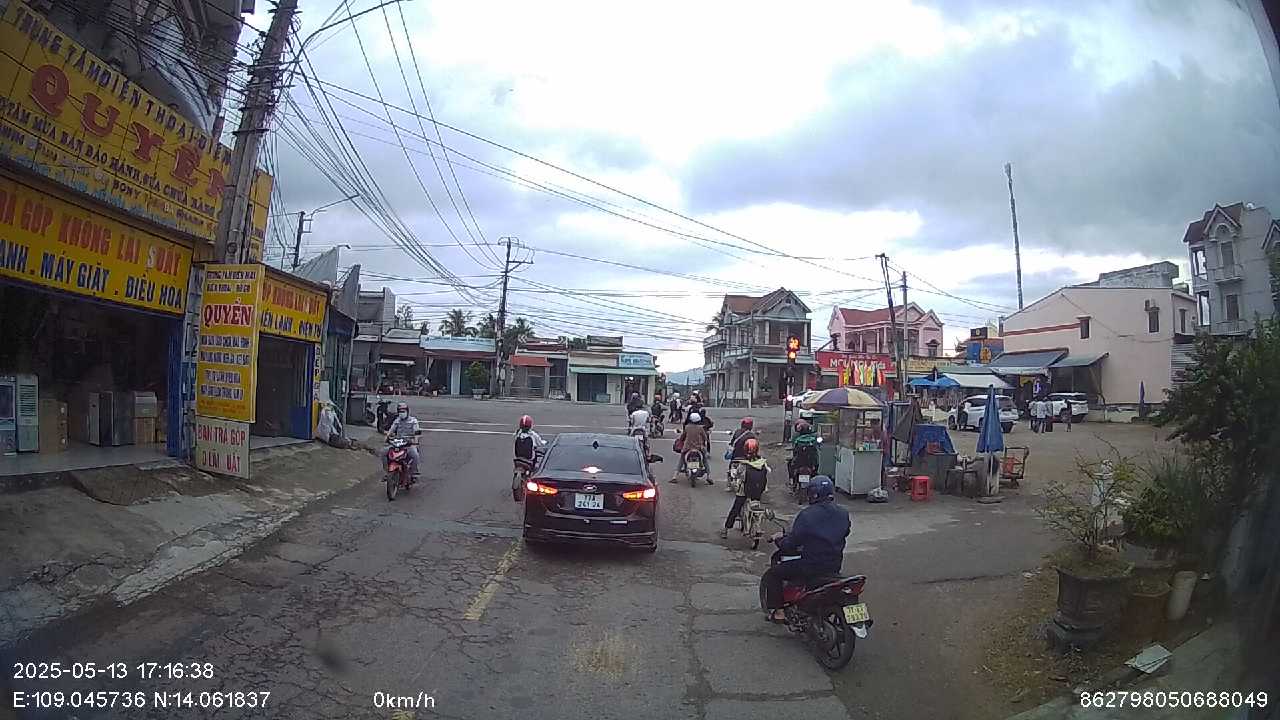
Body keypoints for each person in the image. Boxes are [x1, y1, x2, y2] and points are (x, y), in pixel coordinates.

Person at [761, 476, 851, 622]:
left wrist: (779, 540)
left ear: (813, 494)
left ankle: (779, 613)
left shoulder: (806, 515)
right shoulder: (843, 513)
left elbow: (791, 544)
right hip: (834, 566)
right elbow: (845, 532)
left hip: (810, 567)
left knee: (773, 574)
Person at [722, 437, 769, 538]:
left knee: (735, 509)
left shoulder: (743, 464)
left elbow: (737, 474)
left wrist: (734, 477)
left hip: (744, 491)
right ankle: (757, 526)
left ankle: (726, 529)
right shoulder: (762, 462)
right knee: (757, 508)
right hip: (757, 491)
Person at [671, 411, 711, 483]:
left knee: (682, 460)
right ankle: (708, 477)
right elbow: (705, 438)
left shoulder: (687, 427)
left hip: (687, 448)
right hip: (699, 448)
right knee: (705, 460)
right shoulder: (700, 428)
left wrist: (681, 441)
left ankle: (675, 476)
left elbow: (682, 437)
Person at [382, 402, 421, 476]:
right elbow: (391, 430)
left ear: (407, 411)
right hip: (398, 443)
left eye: (403, 411)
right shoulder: (397, 421)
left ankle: (413, 472)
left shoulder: (413, 421)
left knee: (415, 455)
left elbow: (417, 432)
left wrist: (415, 442)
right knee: (384, 452)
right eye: (400, 411)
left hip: (409, 444)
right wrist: (387, 437)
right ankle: (387, 472)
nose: (402, 413)